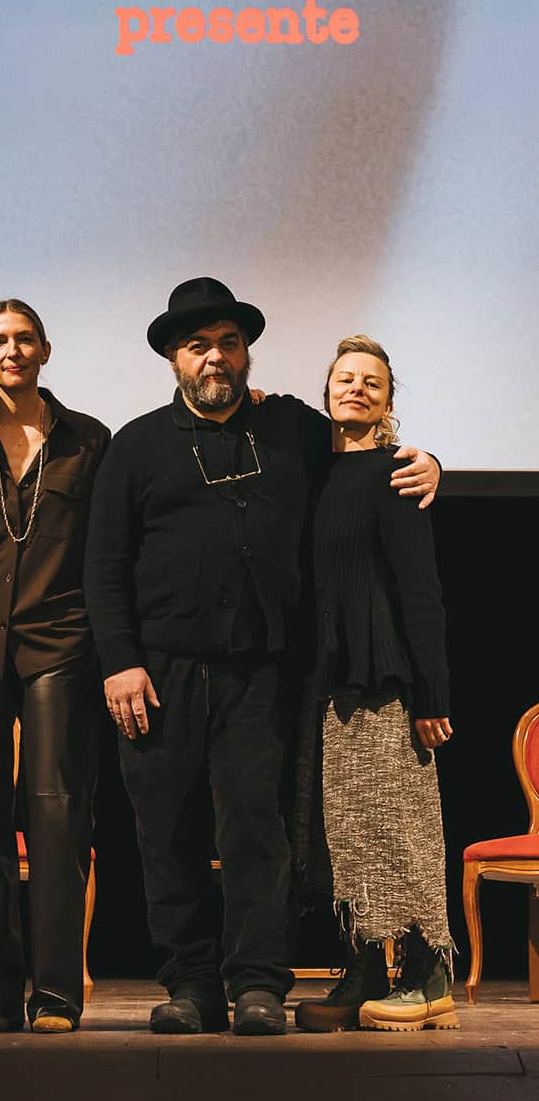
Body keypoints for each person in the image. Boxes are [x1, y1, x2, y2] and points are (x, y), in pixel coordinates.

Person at [84, 276, 441, 1037]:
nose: (215, 358)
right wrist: (119, 659)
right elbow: (103, 565)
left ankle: (255, 985)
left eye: (228, 343)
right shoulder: (136, 445)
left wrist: (429, 462)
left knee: (256, 832)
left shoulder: (291, 430)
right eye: (197, 346)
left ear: (246, 352)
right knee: (167, 834)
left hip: (262, 673)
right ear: (174, 360)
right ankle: (190, 985)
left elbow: (363, 452)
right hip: (158, 675)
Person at [0, 299, 110, 1033]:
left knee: (57, 817)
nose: (12, 350)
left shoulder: (89, 441)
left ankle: (59, 994)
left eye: (23, 338)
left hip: (59, 645)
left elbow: (108, 554)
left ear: (45, 349)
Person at [295, 336, 456, 1033]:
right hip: (332, 679)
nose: (355, 389)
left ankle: (428, 972)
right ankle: (366, 964)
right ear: (328, 390)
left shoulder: (398, 472)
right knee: (349, 831)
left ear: (388, 400)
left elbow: (422, 591)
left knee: (399, 827)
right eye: (345, 379)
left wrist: (433, 693)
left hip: (388, 678)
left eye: (371, 382)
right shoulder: (314, 470)